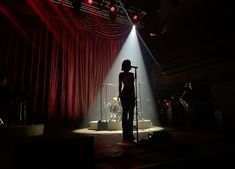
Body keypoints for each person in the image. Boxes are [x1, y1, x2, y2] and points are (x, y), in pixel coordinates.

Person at [118, 59, 136, 142]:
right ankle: (125, 134)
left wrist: (134, 96)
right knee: (125, 114)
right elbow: (120, 86)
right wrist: (120, 96)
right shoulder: (121, 74)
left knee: (131, 114)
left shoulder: (131, 74)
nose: (130, 66)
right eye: (129, 65)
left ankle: (130, 134)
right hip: (125, 93)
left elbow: (132, 86)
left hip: (129, 93)